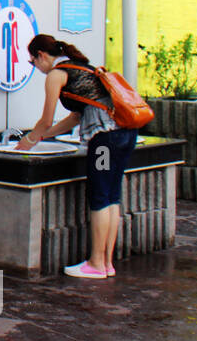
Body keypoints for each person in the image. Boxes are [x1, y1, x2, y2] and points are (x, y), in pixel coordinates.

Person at [16, 34, 137, 278]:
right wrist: (43, 136)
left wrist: (26, 143)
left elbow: (46, 119)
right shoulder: (81, 67)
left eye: (32, 62)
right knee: (112, 196)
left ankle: (95, 263)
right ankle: (106, 264)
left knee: (100, 196)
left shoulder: (55, 75)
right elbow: (74, 118)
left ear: (40, 55)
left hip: (104, 141)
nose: (35, 68)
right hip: (126, 134)